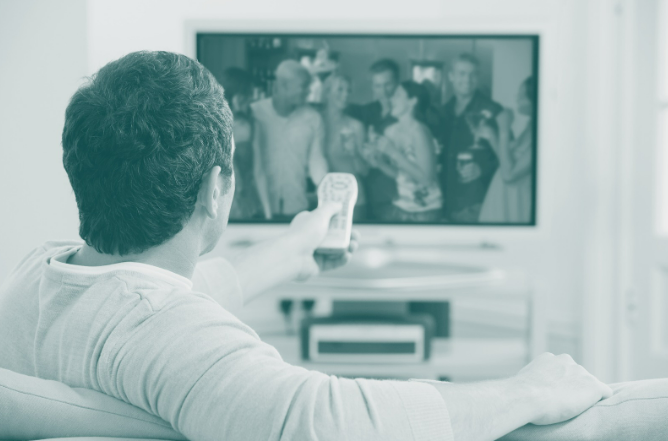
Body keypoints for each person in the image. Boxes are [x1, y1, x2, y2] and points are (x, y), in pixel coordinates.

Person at [0, 51, 613, 441]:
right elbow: (320, 420)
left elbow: (182, 289)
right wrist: (524, 391)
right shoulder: (171, 336)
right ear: (217, 188)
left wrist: (298, 245)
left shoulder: (41, 273)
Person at [251, 59, 328, 218]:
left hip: (296, 208)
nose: (309, 91)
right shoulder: (255, 113)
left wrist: (328, 198)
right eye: (304, 85)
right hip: (258, 208)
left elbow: (317, 162)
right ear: (284, 85)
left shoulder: (313, 119)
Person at [364, 81, 443, 222]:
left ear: (412, 101)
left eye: (398, 95)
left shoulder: (419, 132)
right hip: (402, 207)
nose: (391, 99)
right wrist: (378, 160)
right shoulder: (391, 131)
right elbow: (398, 174)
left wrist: (393, 152)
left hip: (426, 211)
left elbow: (427, 179)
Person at [438, 53, 502, 223]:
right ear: (451, 76)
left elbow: (508, 154)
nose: (467, 79)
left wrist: (483, 168)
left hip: (475, 202)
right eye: (462, 73)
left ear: (478, 77)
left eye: (473, 74)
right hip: (443, 201)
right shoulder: (442, 111)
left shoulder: (493, 111)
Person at [347, 59, 401, 220]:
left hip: (396, 202)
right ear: (372, 87)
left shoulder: (406, 116)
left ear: (397, 84)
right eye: (378, 85)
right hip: (367, 198)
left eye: (388, 84)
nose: (383, 91)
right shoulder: (366, 112)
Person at [479, 76, 535, 223]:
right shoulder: (530, 125)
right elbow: (506, 161)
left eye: (522, 95)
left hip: (516, 199)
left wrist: (504, 130)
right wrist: (492, 137)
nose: (517, 98)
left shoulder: (544, 131)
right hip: (503, 196)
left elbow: (509, 175)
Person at [219, 67, 269, 220]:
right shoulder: (213, 126)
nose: (248, 100)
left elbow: (259, 172)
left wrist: (269, 213)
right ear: (231, 94)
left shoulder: (253, 126)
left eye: (249, 95)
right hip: (220, 203)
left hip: (247, 204)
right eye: (244, 95)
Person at [321, 73, 368, 219]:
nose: (345, 94)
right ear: (327, 92)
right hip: (324, 198)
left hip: (352, 199)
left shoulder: (355, 126)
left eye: (348, 90)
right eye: (340, 89)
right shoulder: (314, 122)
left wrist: (354, 154)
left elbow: (365, 171)